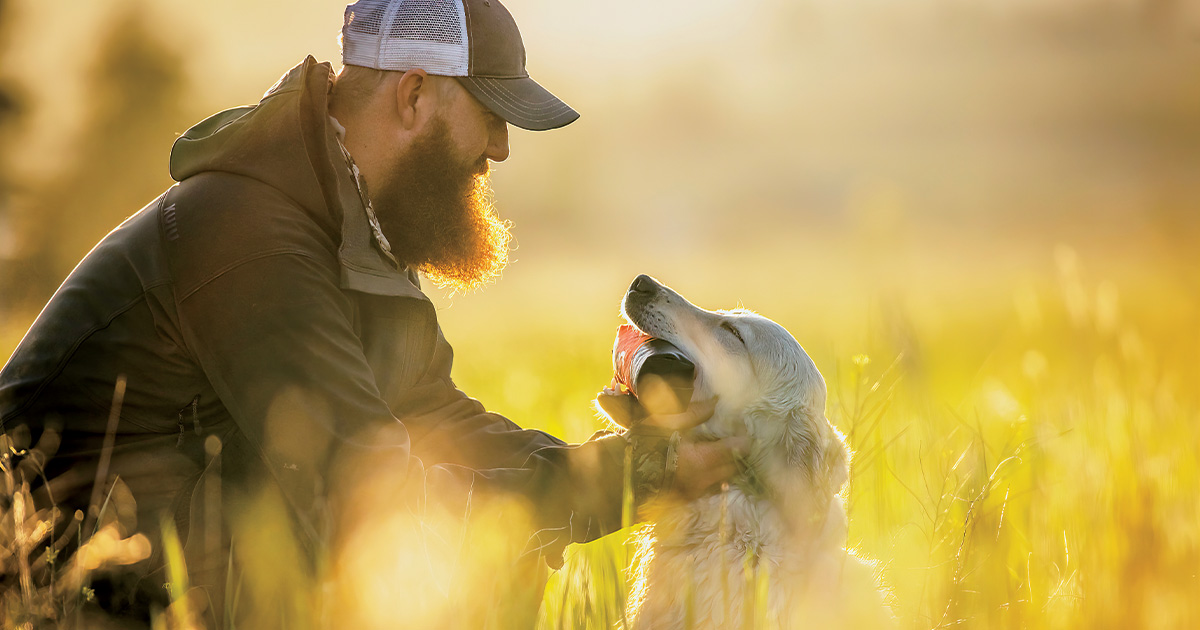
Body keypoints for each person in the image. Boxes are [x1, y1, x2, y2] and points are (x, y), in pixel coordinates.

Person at [0, 0, 745, 626]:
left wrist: (641, 469)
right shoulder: (248, 235)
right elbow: (363, 484)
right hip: (52, 595)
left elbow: (439, 421)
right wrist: (623, 480)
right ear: (414, 94)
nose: (501, 146)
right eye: (489, 111)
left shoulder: (354, 228)